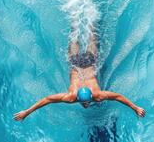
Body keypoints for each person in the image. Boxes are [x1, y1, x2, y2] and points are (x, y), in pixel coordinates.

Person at [13, 25, 146, 121]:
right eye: (85, 103)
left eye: (86, 103)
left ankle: (78, 17)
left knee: (80, 39)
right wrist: (26, 112)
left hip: (80, 64)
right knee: (86, 39)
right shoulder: (91, 95)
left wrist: (135, 108)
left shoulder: (75, 97)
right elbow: (117, 97)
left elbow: (118, 97)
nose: (86, 105)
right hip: (81, 63)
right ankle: (85, 17)